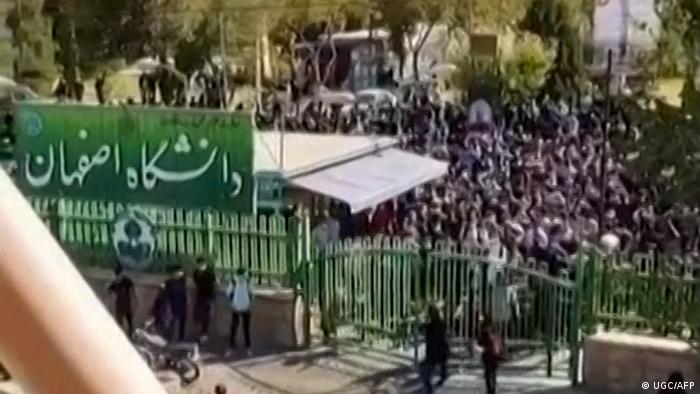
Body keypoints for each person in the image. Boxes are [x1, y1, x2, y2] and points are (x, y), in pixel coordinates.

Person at [420, 305, 449, 393]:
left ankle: (429, 391)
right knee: (426, 375)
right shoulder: (441, 324)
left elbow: (430, 337)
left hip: (433, 353)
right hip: (438, 352)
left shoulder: (432, 326)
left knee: (425, 376)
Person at [226, 267, 253, 356]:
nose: (243, 277)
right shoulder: (234, 281)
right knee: (234, 328)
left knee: (246, 328)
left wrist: (249, 303)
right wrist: (232, 303)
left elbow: (251, 293)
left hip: (245, 307)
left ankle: (248, 347)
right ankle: (231, 347)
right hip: (237, 307)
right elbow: (229, 293)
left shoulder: (248, 281)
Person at [477, 315, 504, 394]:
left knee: (488, 374)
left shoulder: (484, 331)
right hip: (495, 355)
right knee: (493, 373)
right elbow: (501, 342)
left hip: (487, 356)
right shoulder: (496, 330)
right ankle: (493, 388)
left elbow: (480, 342)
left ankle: (490, 390)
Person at [193, 256, 217, 342]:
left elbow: (214, 283)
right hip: (200, 295)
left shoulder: (210, 272)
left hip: (208, 296)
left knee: (207, 315)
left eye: (202, 264)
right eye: (199, 264)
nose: (200, 266)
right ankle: (200, 331)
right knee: (199, 314)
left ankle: (205, 333)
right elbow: (196, 282)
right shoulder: (196, 273)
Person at [107, 265, 136, 334]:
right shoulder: (116, 282)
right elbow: (109, 292)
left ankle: (130, 333)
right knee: (122, 320)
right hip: (121, 304)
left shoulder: (126, 281)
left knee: (129, 321)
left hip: (126, 303)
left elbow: (132, 292)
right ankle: (123, 333)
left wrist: (134, 301)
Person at [165, 265, 188, 342]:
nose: (181, 273)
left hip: (182, 304)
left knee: (182, 322)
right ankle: (170, 339)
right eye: (179, 272)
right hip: (172, 305)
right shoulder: (168, 283)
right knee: (172, 323)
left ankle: (181, 339)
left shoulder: (182, 281)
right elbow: (167, 296)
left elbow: (184, 293)